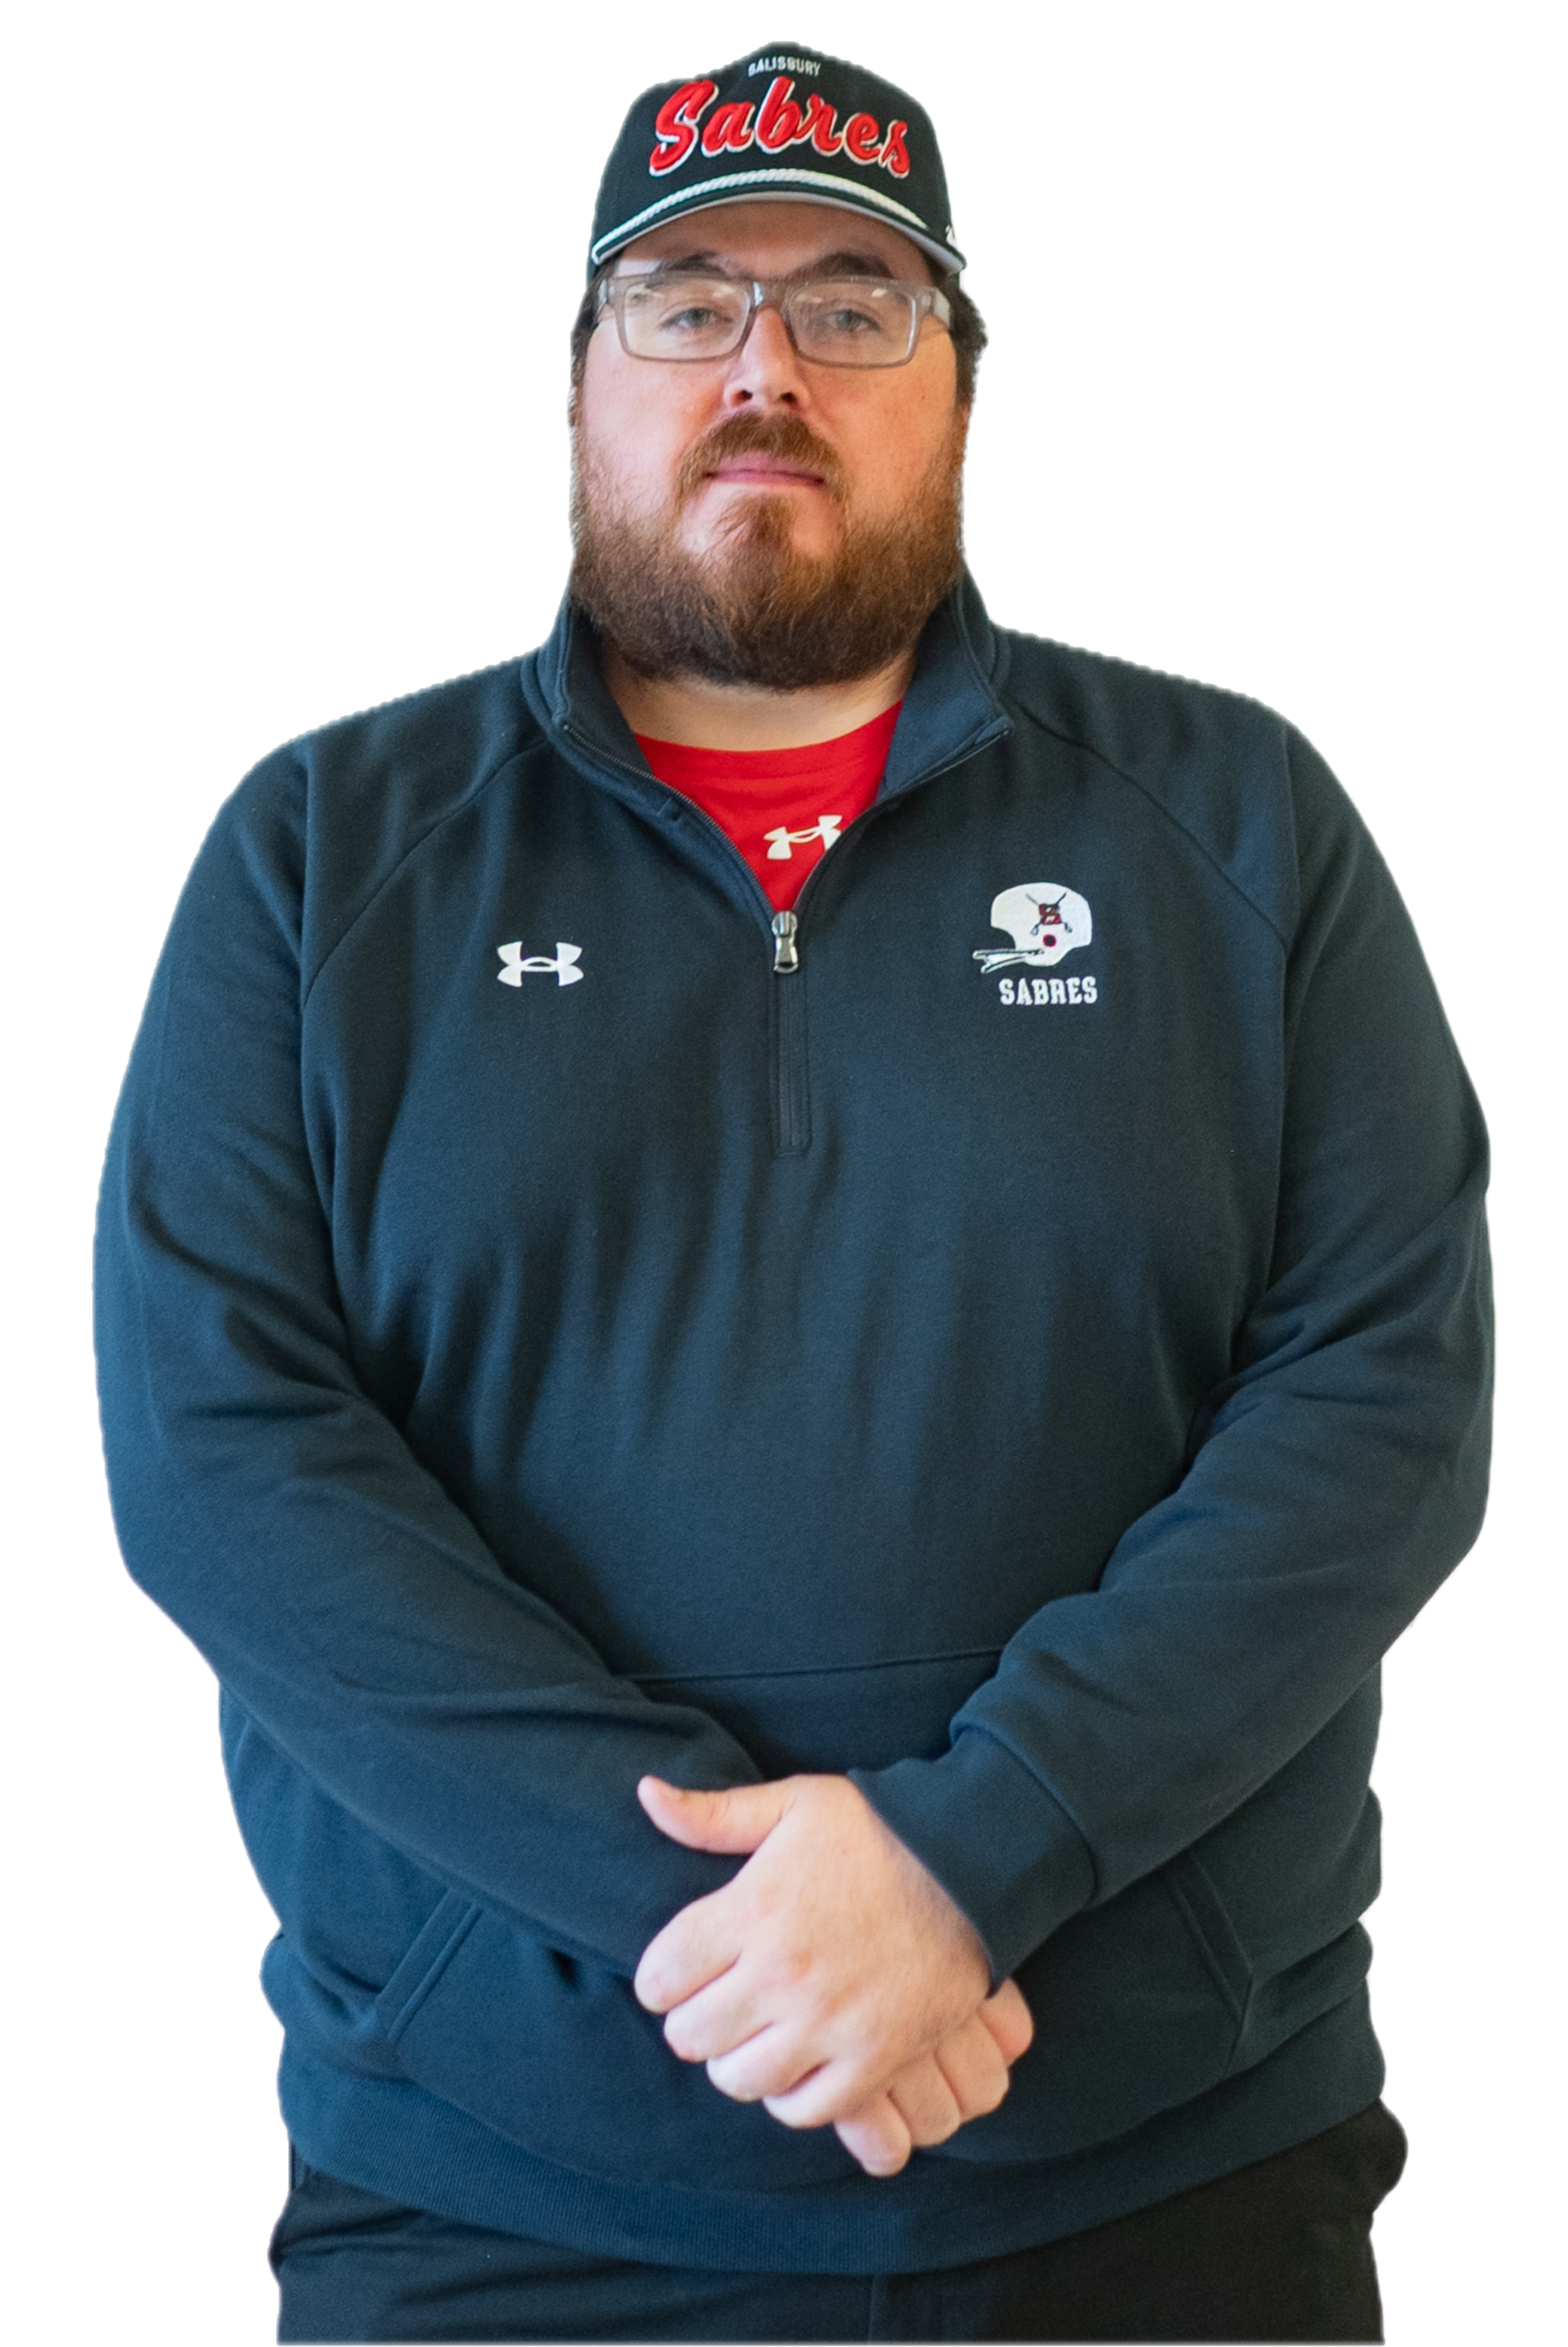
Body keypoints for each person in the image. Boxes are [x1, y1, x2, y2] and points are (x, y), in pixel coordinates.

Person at [93, 39, 1491, 2347]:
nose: (766, 367)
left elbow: (1380, 1408)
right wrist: (722, 1919)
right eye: (686, 300)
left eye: (855, 302)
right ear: (577, 384)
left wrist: (972, 1847)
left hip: (1162, 2162)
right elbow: (224, 1461)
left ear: (958, 382)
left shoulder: (1238, 822)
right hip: (500, 2191)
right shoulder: (323, 857)